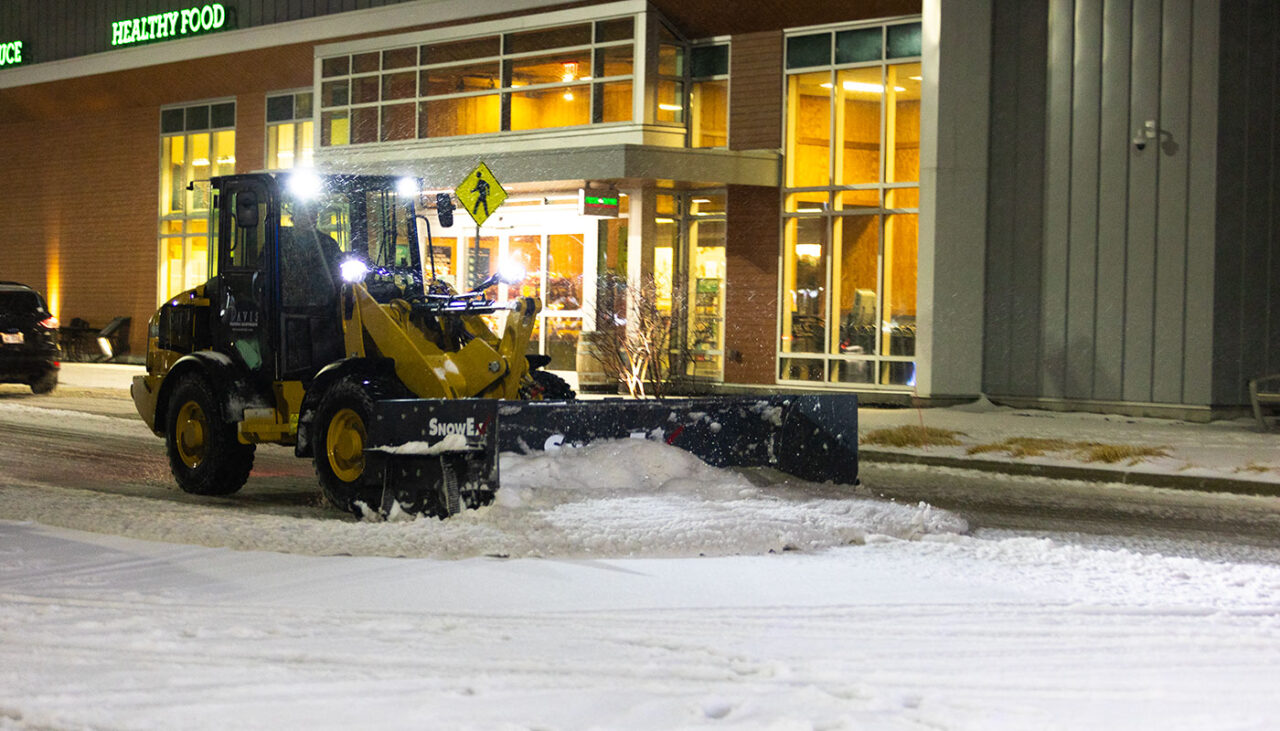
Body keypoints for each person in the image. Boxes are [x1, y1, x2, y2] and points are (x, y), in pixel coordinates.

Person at [281, 201, 342, 308]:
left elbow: (338, 276)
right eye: (304, 213)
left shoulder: (328, 244)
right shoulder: (279, 241)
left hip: (323, 310)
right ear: (295, 215)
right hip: (285, 307)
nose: (309, 218)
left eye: (313, 213)